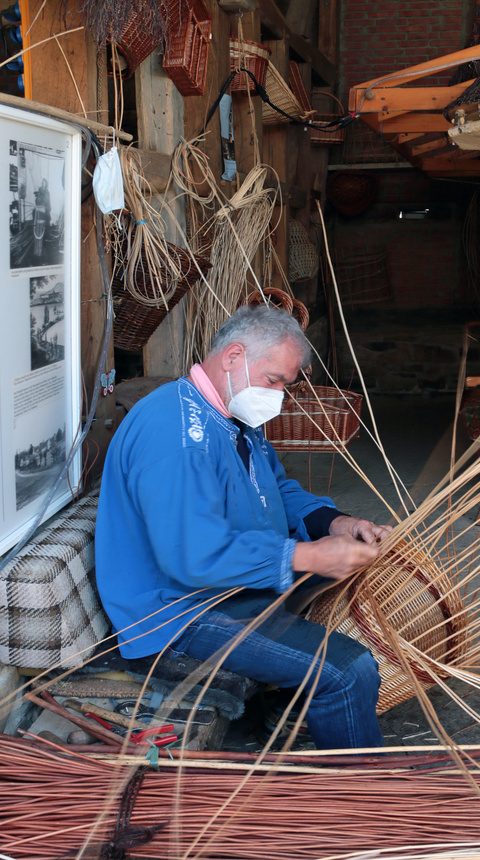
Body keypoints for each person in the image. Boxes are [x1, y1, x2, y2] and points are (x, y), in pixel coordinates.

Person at [95, 305, 391, 749]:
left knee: (339, 579)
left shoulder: (229, 415)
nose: (279, 396)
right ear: (233, 356)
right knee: (346, 670)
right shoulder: (175, 432)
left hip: (226, 587)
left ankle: (281, 718)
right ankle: (358, 802)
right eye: (275, 381)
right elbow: (191, 554)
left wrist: (336, 522)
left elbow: (277, 487)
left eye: (285, 386)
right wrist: (305, 555)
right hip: (178, 612)